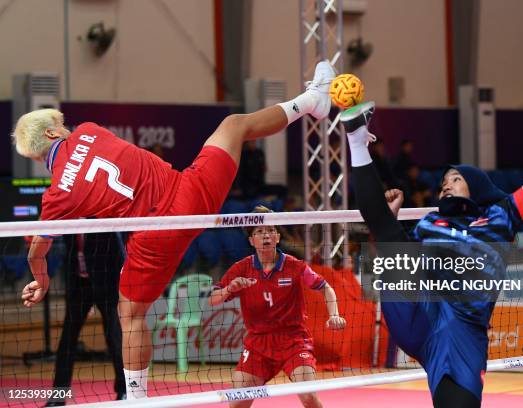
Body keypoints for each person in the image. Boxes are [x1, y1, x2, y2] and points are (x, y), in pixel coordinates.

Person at [13, 60, 336, 400]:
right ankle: (312, 100)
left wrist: (42, 279)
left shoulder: (55, 196)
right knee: (234, 126)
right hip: (189, 195)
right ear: (52, 133)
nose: (67, 128)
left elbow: (38, 248)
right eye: (61, 126)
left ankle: (136, 401)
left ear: (36, 156)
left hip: (152, 236)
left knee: (131, 314)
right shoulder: (90, 129)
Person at [339, 82, 523, 408]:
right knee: (387, 232)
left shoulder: (501, 217)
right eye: (443, 183)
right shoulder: (430, 222)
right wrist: (388, 225)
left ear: (474, 185)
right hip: (421, 311)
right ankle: (357, 139)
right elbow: (400, 259)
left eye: (454, 180)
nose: (445, 186)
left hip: (464, 329)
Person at [209, 206, 346, 408]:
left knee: (308, 396)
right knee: (237, 403)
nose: (266, 235)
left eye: (271, 230)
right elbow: (213, 299)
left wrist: (334, 315)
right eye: (259, 232)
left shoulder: (294, 266)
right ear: (251, 240)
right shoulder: (241, 268)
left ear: (278, 237)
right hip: (258, 344)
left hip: (293, 340)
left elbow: (326, 288)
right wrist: (230, 288)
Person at [45, 233, 125, 407]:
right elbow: (69, 254)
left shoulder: (103, 216)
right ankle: (57, 397)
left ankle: (124, 391)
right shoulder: (69, 218)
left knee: (114, 337)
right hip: (79, 287)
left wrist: (120, 286)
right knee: (67, 341)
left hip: (105, 283)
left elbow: (119, 252)